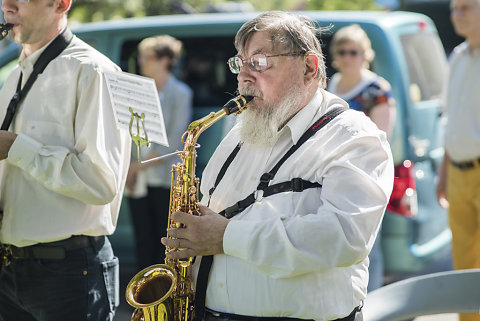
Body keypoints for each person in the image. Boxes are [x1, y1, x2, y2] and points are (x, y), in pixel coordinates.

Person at [162, 11, 394, 321]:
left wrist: (226, 237)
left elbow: (343, 236)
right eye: (239, 63)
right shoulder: (241, 132)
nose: (244, 77)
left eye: (258, 62)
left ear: (308, 67)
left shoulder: (353, 137)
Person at [0, 0, 131, 320]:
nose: (7, 5)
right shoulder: (12, 77)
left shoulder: (95, 72)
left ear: (61, 3)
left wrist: (17, 148)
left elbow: (101, 183)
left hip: (69, 276)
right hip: (11, 270)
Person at [327, 24, 396, 291]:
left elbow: (380, 140)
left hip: (364, 176)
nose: (347, 57)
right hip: (332, 172)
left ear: (364, 54)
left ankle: (373, 300)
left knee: (368, 244)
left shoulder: (377, 89)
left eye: (353, 51)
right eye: (342, 51)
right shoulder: (331, 83)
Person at [125, 35, 193, 269]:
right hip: (138, 178)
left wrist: (135, 167)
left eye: (148, 56)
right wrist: (130, 167)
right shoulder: (137, 90)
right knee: (142, 241)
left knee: (163, 243)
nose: (142, 61)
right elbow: (128, 134)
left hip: (164, 178)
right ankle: (143, 301)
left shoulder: (180, 92)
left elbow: (174, 142)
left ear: (165, 60)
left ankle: (162, 300)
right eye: (141, 56)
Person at [436, 0, 480, 320]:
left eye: (466, 7)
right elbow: (452, 120)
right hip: (458, 172)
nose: (457, 14)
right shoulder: (458, 56)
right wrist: (443, 174)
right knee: (464, 266)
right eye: (454, 8)